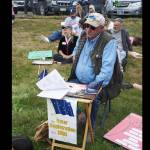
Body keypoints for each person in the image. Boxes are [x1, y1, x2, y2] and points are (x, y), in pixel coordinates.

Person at [68, 13, 117, 139]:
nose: (88, 29)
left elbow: (106, 72)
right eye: (86, 25)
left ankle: (90, 129)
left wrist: (92, 86)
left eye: (92, 27)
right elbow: (75, 51)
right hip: (78, 79)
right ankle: (79, 116)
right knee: (61, 92)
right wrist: (74, 55)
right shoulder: (83, 34)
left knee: (93, 99)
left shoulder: (108, 41)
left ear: (102, 28)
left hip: (96, 82)